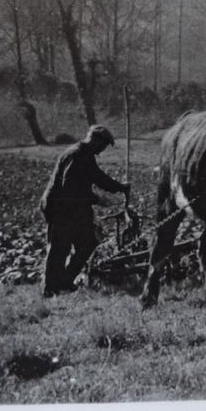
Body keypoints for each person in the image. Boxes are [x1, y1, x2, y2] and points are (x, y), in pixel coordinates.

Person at [40, 124, 130, 298]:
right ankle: (51, 289)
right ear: (95, 140)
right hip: (60, 209)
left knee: (88, 243)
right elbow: (70, 189)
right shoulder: (76, 155)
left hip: (74, 209)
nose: (102, 150)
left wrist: (119, 187)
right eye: (103, 146)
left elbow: (98, 177)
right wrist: (96, 199)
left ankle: (64, 282)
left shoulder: (86, 155)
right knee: (59, 248)